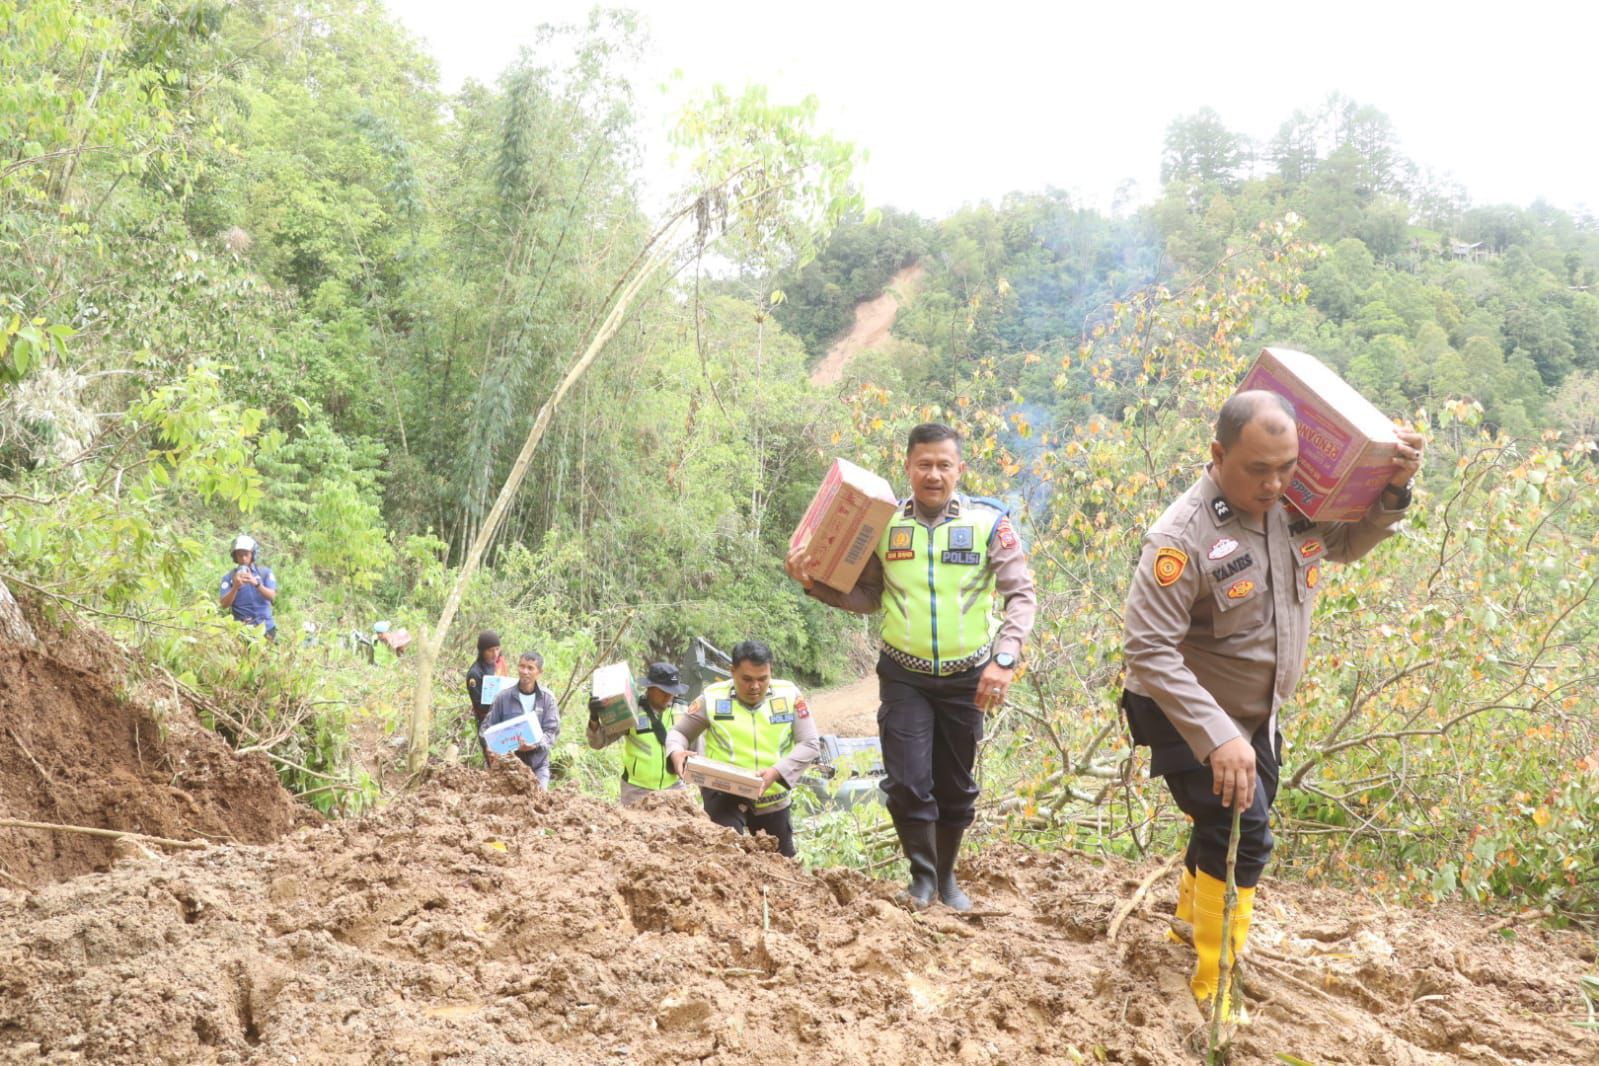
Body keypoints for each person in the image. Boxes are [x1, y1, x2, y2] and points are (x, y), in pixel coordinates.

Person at [1121, 390, 1425, 1018]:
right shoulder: (1183, 536)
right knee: (1245, 830)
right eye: (1258, 468)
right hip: (1184, 708)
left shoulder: (1295, 507)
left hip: (1257, 711)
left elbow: (1344, 544)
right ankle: (1213, 981)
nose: (1275, 481)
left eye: (1286, 467)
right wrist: (1217, 736)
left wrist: (1392, 491)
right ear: (1218, 454)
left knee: (1227, 819)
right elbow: (1148, 649)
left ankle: (1188, 922)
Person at [784, 423, 1036, 911]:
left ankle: (947, 880)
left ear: (960, 469)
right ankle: (921, 879)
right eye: (924, 464)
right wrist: (813, 583)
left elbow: (1020, 595)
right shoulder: (885, 526)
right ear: (908, 467)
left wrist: (1004, 659)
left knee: (956, 785)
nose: (934, 475)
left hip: (969, 677)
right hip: (904, 675)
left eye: (944, 465)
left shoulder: (989, 523)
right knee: (905, 780)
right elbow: (867, 596)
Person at [665, 640, 821, 857]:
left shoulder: (789, 695)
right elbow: (679, 733)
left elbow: (810, 743)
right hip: (723, 794)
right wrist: (676, 751)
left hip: (773, 799)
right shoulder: (712, 697)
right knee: (726, 862)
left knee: (782, 868)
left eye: (762, 679)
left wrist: (776, 772)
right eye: (746, 679)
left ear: (770, 672)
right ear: (732, 672)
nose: (755, 686)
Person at [586, 661, 691, 806]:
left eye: (672, 693)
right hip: (636, 791)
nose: (668, 697)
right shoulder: (631, 710)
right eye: (664, 692)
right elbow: (598, 743)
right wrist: (594, 718)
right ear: (650, 688)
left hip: (674, 788)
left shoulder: (682, 711)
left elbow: (698, 749)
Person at [481, 651, 562, 788]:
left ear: (539, 672)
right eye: (522, 666)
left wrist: (535, 744)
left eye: (530, 668)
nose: (525, 671)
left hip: (537, 766)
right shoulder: (503, 697)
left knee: (540, 803)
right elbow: (486, 728)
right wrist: (489, 745)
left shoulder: (547, 699)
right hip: (506, 766)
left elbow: (552, 731)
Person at [218, 534, 278, 640]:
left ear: (253, 554)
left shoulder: (265, 573)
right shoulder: (229, 578)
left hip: (267, 628)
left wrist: (256, 583)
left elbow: (272, 596)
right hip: (243, 631)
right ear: (235, 557)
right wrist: (235, 587)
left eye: (246, 554)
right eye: (239, 555)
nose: (243, 558)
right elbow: (224, 605)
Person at [464, 631, 509, 762]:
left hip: (506, 718)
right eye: (490, 650)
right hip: (487, 722)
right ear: (482, 651)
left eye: (497, 649)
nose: (495, 654)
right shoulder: (475, 673)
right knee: (494, 760)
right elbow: (478, 705)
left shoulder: (500, 662)